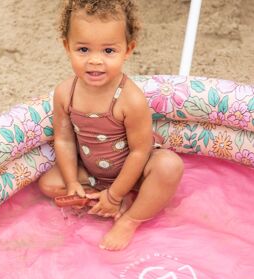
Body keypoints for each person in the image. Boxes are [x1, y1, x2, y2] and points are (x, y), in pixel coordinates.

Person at [38, 0, 184, 251]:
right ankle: (99, 200)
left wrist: (116, 192)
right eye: (83, 50)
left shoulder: (130, 99)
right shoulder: (65, 93)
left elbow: (140, 151)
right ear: (67, 47)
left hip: (135, 172)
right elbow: (63, 139)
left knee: (169, 167)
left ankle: (130, 218)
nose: (95, 61)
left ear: (128, 49)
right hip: (94, 172)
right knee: (49, 184)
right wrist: (73, 182)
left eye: (108, 51)